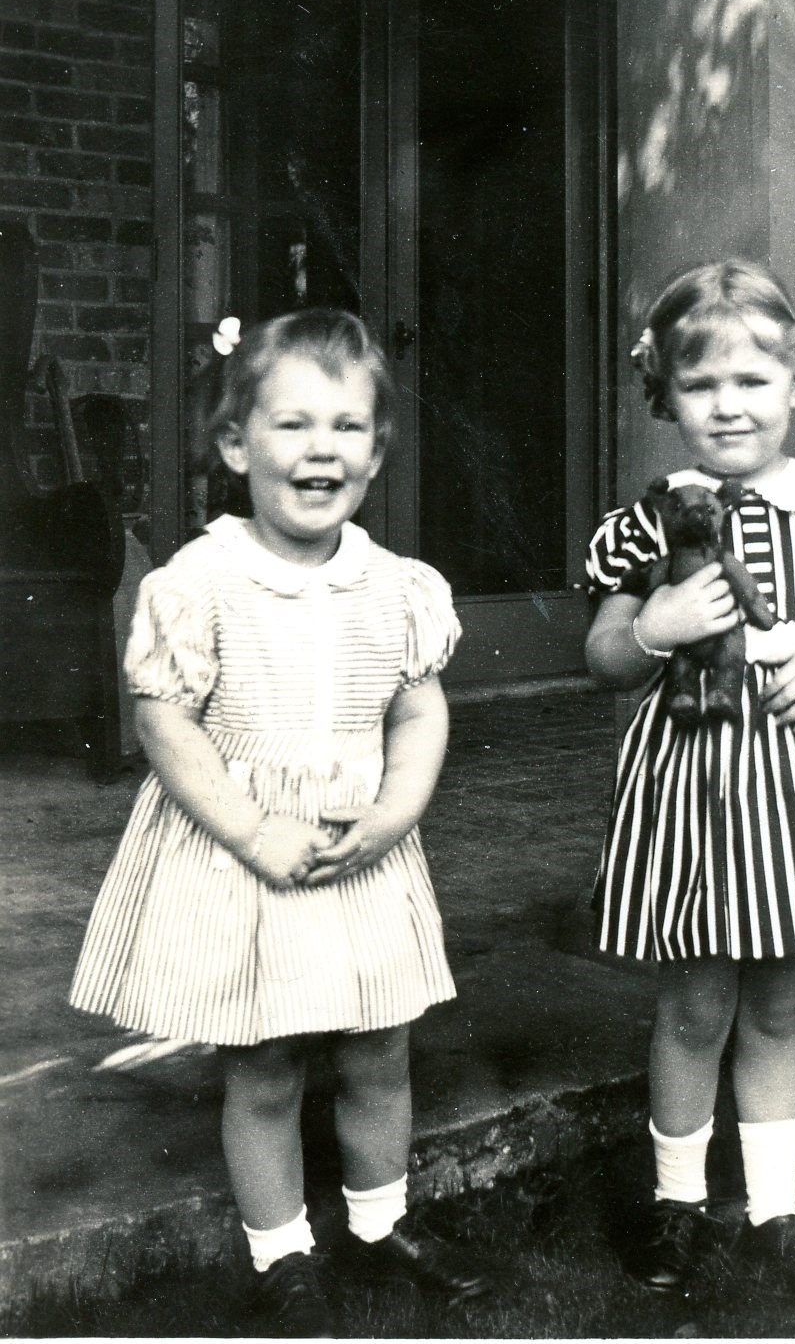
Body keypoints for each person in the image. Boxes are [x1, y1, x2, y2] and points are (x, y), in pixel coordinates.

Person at [70, 308, 492, 1335]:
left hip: (361, 849)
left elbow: (418, 710)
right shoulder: (200, 583)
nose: (321, 450)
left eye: (347, 428)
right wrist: (252, 830)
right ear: (234, 445)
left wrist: (396, 811)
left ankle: (379, 1224)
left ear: (376, 453)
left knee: (378, 1047)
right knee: (263, 1063)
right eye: (292, 424)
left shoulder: (397, 588)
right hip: (245, 850)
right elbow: (164, 720)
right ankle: (281, 1256)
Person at [585, 261, 795, 1299]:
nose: (727, 405)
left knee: (775, 1006)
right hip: (696, 783)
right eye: (700, 385)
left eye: (751, 381)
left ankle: (774, 1213)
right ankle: (676, 1206)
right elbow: (604, 656)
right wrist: (653, 625)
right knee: (692, 1004)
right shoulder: (654, 521)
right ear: (664, 395)